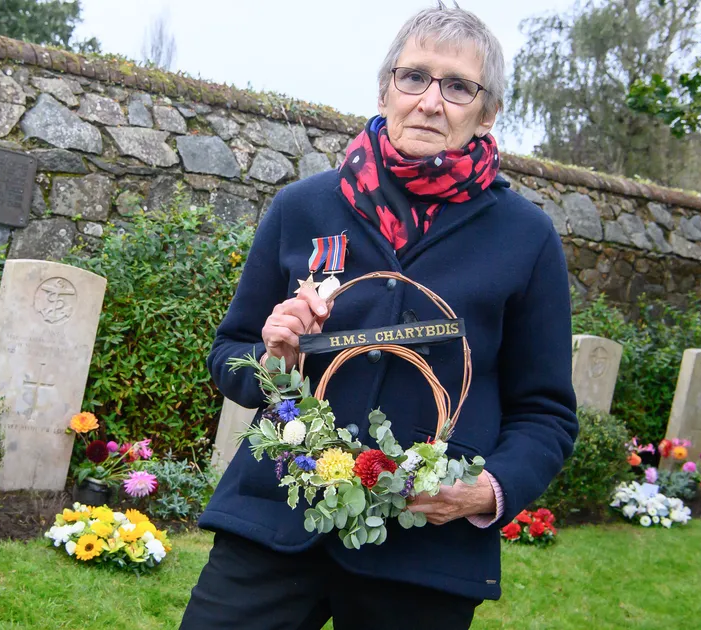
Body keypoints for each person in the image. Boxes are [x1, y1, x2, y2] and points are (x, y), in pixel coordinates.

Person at [180, 4, 578, 629]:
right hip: (275, 518)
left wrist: (487, 492)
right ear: (386, 87)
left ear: (487, 111)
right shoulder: (303, 206)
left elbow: (546, 412)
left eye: (457, 86)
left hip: (425, 552)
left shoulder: (526, 239)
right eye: (413, 77)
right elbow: (228, 350)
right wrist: (271, 360)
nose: (429, 101)